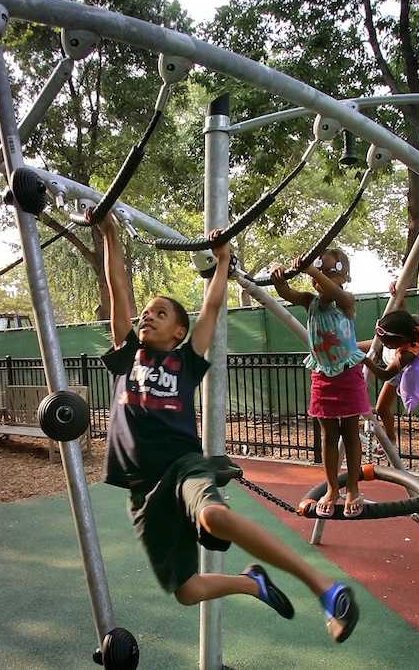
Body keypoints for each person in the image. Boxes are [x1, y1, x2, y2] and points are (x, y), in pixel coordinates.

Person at [97, 214, 359, 643]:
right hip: (142, 488)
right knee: (186, 590)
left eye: (159, 313)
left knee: (214, 515)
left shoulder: (186, 360)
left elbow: (212, 307)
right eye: (145, 314)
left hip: (182, 466)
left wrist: (222, 262)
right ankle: (252, 583)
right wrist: (109, 232)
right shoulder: (128, 355)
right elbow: (118, 288)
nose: (147, 318)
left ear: (179, 330)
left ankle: (326, 590)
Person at [270, 250, 380, 519]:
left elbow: (336, 292)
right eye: (320, 272)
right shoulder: (310, 302)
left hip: (347, 373)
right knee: (329, 436)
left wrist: (311, 270)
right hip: (322, 376)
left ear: (345, 276)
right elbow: (287, 294)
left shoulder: (346, 302)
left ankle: (352, 487)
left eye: (331, 272)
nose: (322, 277)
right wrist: (278, 280)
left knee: (351, 433)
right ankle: (333, 489)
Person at [360, 282, 419, 445]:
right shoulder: (406, 327)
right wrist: (397, 295)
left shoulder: (406, 355)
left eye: (386, 342)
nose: (382, 343)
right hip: (391, 355)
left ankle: (391, 439)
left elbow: (385, 374)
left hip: (398, 372)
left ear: (399, 340)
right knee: (353, 347)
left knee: (382, 408)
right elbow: (401, 314)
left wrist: (365, 361)